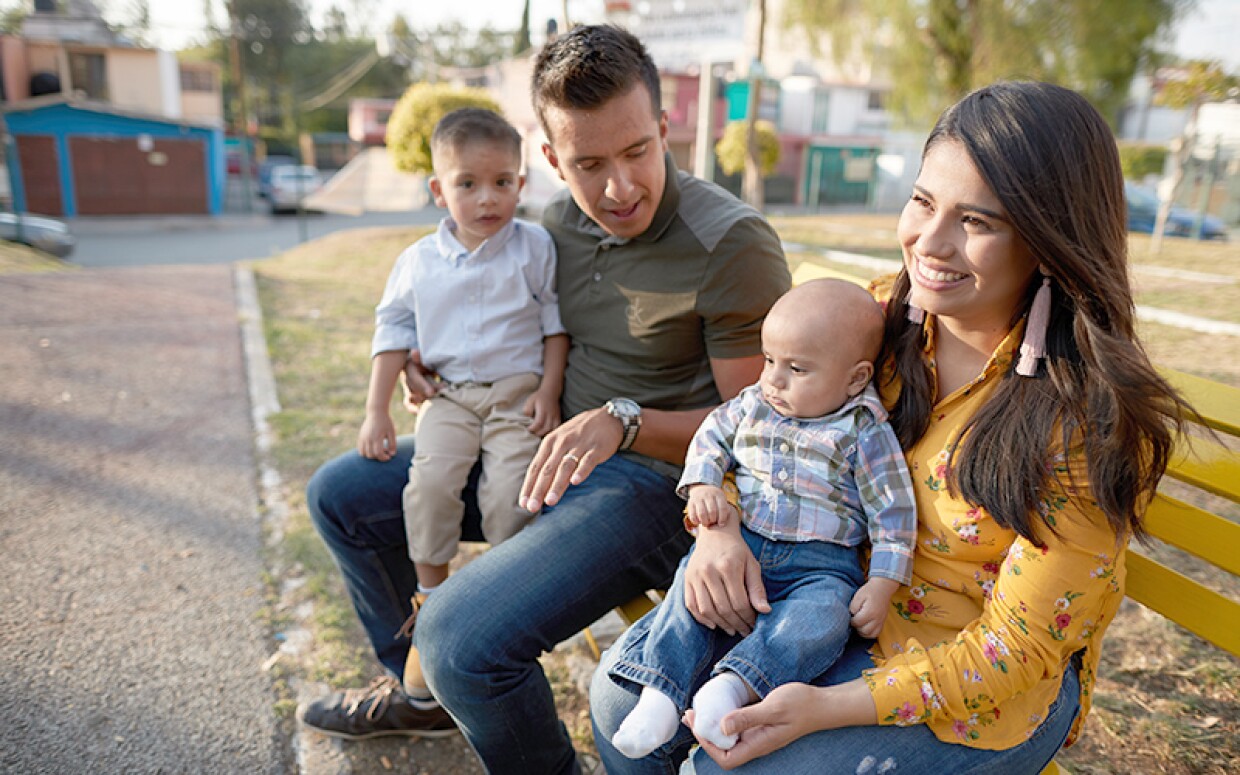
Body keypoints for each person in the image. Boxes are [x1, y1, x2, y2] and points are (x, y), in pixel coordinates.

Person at [591, 80, 1190, 774]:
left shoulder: (1084, 421)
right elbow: (761, 417)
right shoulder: (876, 322)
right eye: (923, 201)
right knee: (618, 701)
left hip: (976, 684)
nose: (928, 242)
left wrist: (825, 707)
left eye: (978, 221)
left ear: (1049, 239)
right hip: (825, 601)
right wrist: (718, 529)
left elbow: (1015, 650)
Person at [296, 24, 791, 774]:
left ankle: (475, 704)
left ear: (665, 130)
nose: (619, 187)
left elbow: (758, 428)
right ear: (552, 162)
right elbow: (488, 310)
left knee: (461, 639)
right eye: (589, 165)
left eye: (637, 153)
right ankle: (423, 697)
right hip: (534, 446)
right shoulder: (549, 226)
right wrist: (428, 363)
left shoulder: (730, 242)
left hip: (658, 489)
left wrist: (623, 425)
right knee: (343, 494)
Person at [608, 279, 917, 760]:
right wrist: (705, 485)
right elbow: (710, 439)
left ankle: (733, 687)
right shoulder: (753, 404)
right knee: (689, 592)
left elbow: (893, 511)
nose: (773, 378)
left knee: (823, 620)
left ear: (855, 379)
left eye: (796, 369)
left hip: (821, 565)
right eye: (769, 360)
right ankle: (661, 695)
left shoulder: (864, 432)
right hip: (746, 540)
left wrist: (882, 582)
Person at [354, 107, 569, 703]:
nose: (486, 198)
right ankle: (429, 602)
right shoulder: (418, 262)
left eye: (503, 181)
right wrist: (377, 411)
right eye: (467, 184)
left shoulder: (534, 248)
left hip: (516, 396)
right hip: (449, 397)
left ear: (521, 184)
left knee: (509, 495)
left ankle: (499, 605)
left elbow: (554, 325)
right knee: (429, 483)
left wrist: (548, 391)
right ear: (438, 190)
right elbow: (392, 330)